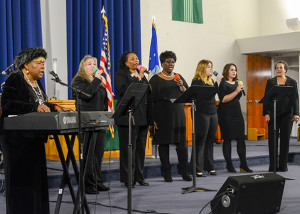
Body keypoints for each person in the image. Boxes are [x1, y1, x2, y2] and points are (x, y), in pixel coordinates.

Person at [0, 47, 72, 214]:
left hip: (34, 138)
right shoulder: (15, 78)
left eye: (43, 63)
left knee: (36, 182)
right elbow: (8, 104)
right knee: (22, 184)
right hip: (17, 142)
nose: (42, 67)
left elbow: (42, 104)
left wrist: (55, 107)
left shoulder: (36, 82)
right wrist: (34, 106)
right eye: (39, 63)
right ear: (26, 64)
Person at [149, 50, 192, 182]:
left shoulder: (178, 77)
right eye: (168, 61)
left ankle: (184, 172)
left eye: (173, 61)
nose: (171, 64)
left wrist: (182, 87)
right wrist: (152, 120)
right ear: (162, 63)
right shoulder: (155, 79)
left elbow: (188, 94)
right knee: (164, 144)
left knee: (182, 145)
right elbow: (150, 101)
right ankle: (167, 174)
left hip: (178, 114)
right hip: (162, 115)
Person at [72, 55, 110, 194]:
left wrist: (106, 118)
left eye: (94, 63)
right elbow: (87, 94)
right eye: (89, 64)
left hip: (99, 122)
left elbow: (104, 101)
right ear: (83, 67)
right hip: (86, 122)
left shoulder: (98, 82)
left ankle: (97, 182)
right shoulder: (79, 80)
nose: (93, 66)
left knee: (97, 155)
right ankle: (88, 185)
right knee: (88, 156)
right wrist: (97, 79)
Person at [114, 51, 152, 187]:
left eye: (137, 58)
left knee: (140, 149)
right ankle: (128, 178)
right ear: (126, 62)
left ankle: (139, 176)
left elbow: (147, 93)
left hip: (142, 117)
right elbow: (125, 90)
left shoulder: (141, 75)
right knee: (128, 149)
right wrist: (140, 76)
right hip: (127, 117)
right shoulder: (121, 75)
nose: (136, 60)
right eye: (133, 59)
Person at [263, 60, 299, 172]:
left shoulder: (292, 82)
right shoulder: (270, 82)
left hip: (287, 115)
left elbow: (295, 99)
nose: (278, 69)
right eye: (277, 67)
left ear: (285, 69)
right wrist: (266, 113)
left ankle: (283, 166)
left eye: (281, 67)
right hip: (273, 115)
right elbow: (266, 99)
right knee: (272, 142)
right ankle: (272, 166)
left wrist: (296, 113)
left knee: (285, 141)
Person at [218, 63, 252, 173]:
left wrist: (238, 90)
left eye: (235, 70)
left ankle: (244, 164)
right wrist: (236, 91)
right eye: (232, 70)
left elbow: (237, 97)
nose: (234, 72)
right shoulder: (222, 83)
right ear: (226, 70)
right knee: (227, 139)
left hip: (237, 113)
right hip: (226, 114)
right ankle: (229, 165)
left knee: (241, 139)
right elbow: (223, 99)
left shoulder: (238, 83)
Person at [190, 60, 222, 177]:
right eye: (208, 67)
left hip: (213, 112)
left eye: (211, 67)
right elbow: (207, 95)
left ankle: (209, 166)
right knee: (200, 140)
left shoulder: (211, 81)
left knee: (210, 140)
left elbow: (215, 93)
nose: (211, 69)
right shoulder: (197, 81)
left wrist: (218, 83)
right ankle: (197, 168)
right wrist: (217, 83)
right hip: (201, 113)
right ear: (202, 68)